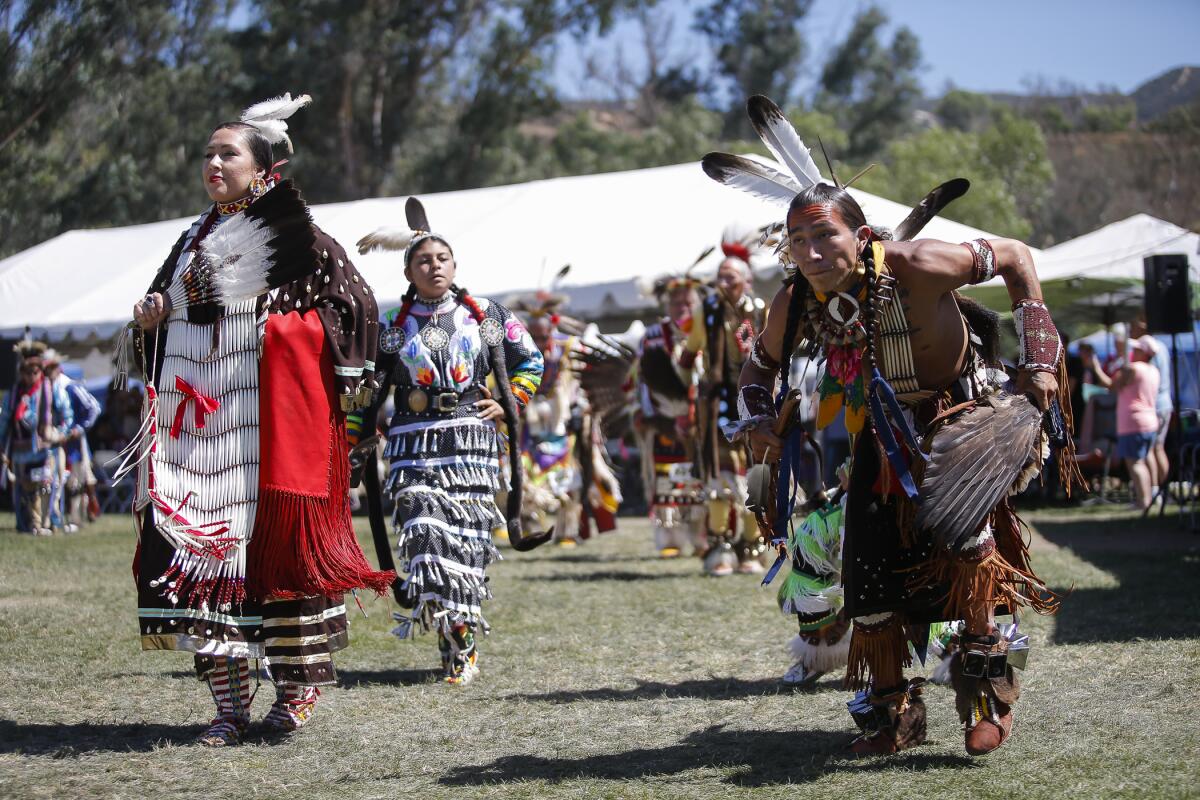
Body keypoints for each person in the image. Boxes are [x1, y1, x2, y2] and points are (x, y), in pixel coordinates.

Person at [705, 95, 1076, 756]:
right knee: (868, 567)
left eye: (826, 236)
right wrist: (759, 419)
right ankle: (892, 715)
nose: (814, 251)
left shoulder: (920, 264)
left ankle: (989, 693)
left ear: (861, 235)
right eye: (799, 241)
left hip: (961, 418)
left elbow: (1018, 257)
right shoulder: (795, 303)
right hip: (880, 432)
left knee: (967, 548)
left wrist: (1040, 357)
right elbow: (756, 369)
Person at [121, 93, 393, 746]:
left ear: (264, 168)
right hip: (201, 439)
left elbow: (358, 313)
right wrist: (152, 320)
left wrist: (286, 333)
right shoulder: (191, 242)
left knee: (282, 573)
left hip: (274, 439)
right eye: (208, 153)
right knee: (203, 561)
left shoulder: (309, 242)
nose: (213, 162)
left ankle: (295, 696)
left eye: (228, 152)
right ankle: (227, 707)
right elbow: (152, 338)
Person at [356, 197, 545, 685]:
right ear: (408, 270)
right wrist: (358, 435)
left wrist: (510, 402)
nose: (433, 266)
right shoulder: (390, 329)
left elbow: (532, 360)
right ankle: (452, 645)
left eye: (441, 259)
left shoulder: (485, 316)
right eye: (423, 260)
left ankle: (460, 647)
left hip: (470, 443)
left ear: (454, 265)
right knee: (425, 538)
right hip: (412, 446)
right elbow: (366, 390)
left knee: (464, 546)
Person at [677, 230, 768, 575]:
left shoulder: (760, 311)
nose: (724, 283)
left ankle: (752, 548)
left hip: (754, 402)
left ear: (746, 280)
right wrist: (685, 397)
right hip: (716, 404)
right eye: (720, 277)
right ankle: (720, 549)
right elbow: (687, 356)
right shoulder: (708, 311)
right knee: (720, 479)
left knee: (754, 477)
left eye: (730, 277)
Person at [514, 293, 622, 546]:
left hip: (564, 424)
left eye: (543, 336)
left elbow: (588, 380)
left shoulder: (570, 349)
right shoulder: (518, 353)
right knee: (523, 476)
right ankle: (529, 522)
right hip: (530, 427)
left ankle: (568, 529)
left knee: (570, 479)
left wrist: (581, 407)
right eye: (534, 337)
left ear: (552, 329)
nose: (539, 342)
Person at [636, 275, 706, 558]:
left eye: (688, 302)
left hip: (703, 420)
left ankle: (703, 536)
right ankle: (670, 537)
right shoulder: (652, 336)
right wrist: (652, 418)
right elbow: (642, 380)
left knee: (702, 478)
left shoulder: (705, 331)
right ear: (667, 305)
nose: (682, 307)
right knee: (669, 480)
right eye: (676, 303)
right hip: (664, 420)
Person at [0, 340, 73, 534]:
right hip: (20, 450)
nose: (30, 375)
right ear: (21, 371)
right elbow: (4, 420)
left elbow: (67, 415)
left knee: (45, 488)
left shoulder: (51, 389)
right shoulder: (14, 393)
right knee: (21, 489)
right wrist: (2, 445)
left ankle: (44, 523)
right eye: (26, 371)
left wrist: (60, 433)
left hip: (45, 449)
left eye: (35, 371)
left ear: (40, 370)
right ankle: (24, 524)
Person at [1091, 338, 1160, 509]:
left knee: (1135, 463)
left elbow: (1110, 385)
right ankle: (1152, 495)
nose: (1133, 352)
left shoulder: (1134, 369)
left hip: (1132, 421)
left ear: (1144, 353)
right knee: (1146, 458)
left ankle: (1143, 501)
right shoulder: (1153, 370)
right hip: (1150, 420)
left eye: (1137, 349)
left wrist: (1094, 366)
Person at [44, 351, 102, 528]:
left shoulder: (69, 387)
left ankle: (76, 518)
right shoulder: (48, 387)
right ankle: (65, 517)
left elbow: (94, 408)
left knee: (76, 481)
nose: (49, 371)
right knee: (63, 480)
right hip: (58, 441)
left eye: (52, 367)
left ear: (58, 368)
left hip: (75, 443)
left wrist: (79, 428)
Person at [1130, 318, 1172, 501]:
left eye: (1133, 327)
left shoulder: (1148, 349)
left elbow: (1146, 382)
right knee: (1158, 449)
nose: (1131, 331)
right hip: (1165, 404)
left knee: (1150, 451)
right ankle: (1164, 491)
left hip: (1153, 406)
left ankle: (1155, 492)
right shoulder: (1162, 346)